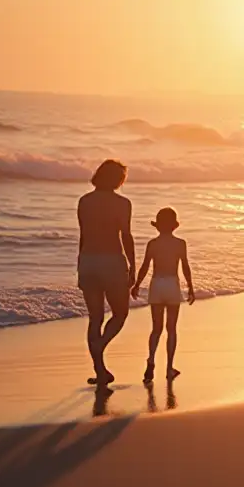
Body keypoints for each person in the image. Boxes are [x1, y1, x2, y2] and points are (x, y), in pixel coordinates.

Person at [77, 159, 135, 386]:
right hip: (112, 262)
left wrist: (80, 263)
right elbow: (126, 236)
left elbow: (83, 235)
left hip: (88, 261)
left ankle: (100, 369)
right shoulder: (123, 203)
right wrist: (133, 265)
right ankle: (100, 348)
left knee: (95, 318)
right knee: (120, 314)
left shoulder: (84, 201)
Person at [132, 207, 194, 384]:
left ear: (157, 226)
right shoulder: (180, 243)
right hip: (172, 284)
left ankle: (151, 361)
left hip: (157, 284)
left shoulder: (152, 244)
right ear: (174, 226)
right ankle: (169, 368)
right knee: (171, 329)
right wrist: (190, 286)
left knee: (156, 328)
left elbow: (145, 266)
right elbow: (185, 267)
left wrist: (136, 285)